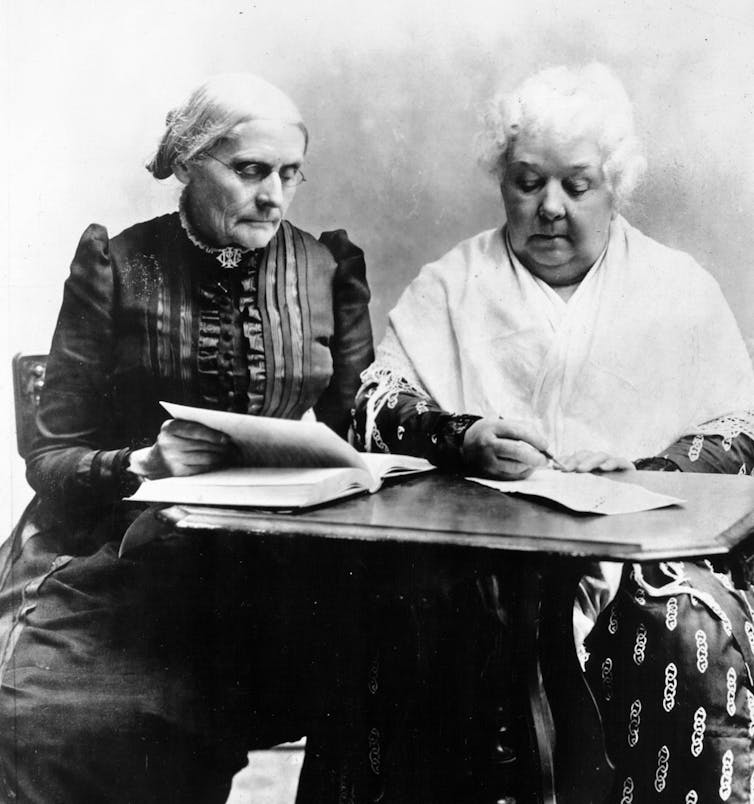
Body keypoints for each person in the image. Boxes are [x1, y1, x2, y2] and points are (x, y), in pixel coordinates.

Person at [309, 63, 754, 803]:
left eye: (576, 186)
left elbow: (742, 429)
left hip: (644, 567)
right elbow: (374, 406)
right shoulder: (453, 283)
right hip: (474, 560)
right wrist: (464, 433)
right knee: (395, 625)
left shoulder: (677, 287)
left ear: (614, 188)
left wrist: (647, 470)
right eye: (526, 183)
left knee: (683, 632)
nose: (549, 208)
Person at [0, 73, 373, 803]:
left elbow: (358, 421)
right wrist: (140, 462)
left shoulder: (327, 267)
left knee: (393, 680)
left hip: (268, 560)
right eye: (250, 171)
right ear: (189, 163)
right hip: (117, 554)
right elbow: (50, 455)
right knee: (52, 720)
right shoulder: (119, 263)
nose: (274, 196)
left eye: (290, 175)